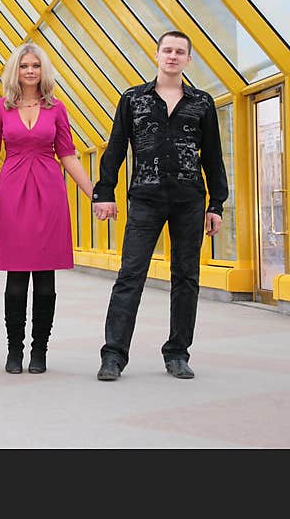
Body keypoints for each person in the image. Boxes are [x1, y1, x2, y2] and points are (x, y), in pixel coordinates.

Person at [92, 30, 228, 381]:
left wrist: (217, 204)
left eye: (179, 51)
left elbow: (212, 156)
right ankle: (113, 356)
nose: (172, 56)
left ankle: (178, 353)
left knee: (186, 278)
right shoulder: (134, 99)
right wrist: (105, 191)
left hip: (189, 201)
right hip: (145, 199)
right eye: (167, 50)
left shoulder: (202, 103)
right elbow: (116, 147)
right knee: (130, 276)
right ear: (156, 55)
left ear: (188, 59)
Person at [0, 43, 93, 374]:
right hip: (12, 192)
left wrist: (94, 193)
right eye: (24, 65)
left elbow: (67, 155)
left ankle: (40, 351)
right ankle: (14, 351)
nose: (29, 71)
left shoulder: (57, 109)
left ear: (43, 70)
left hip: (49, 192)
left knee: (46, 280)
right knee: (15, 279)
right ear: (15, 70)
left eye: (35, 65)